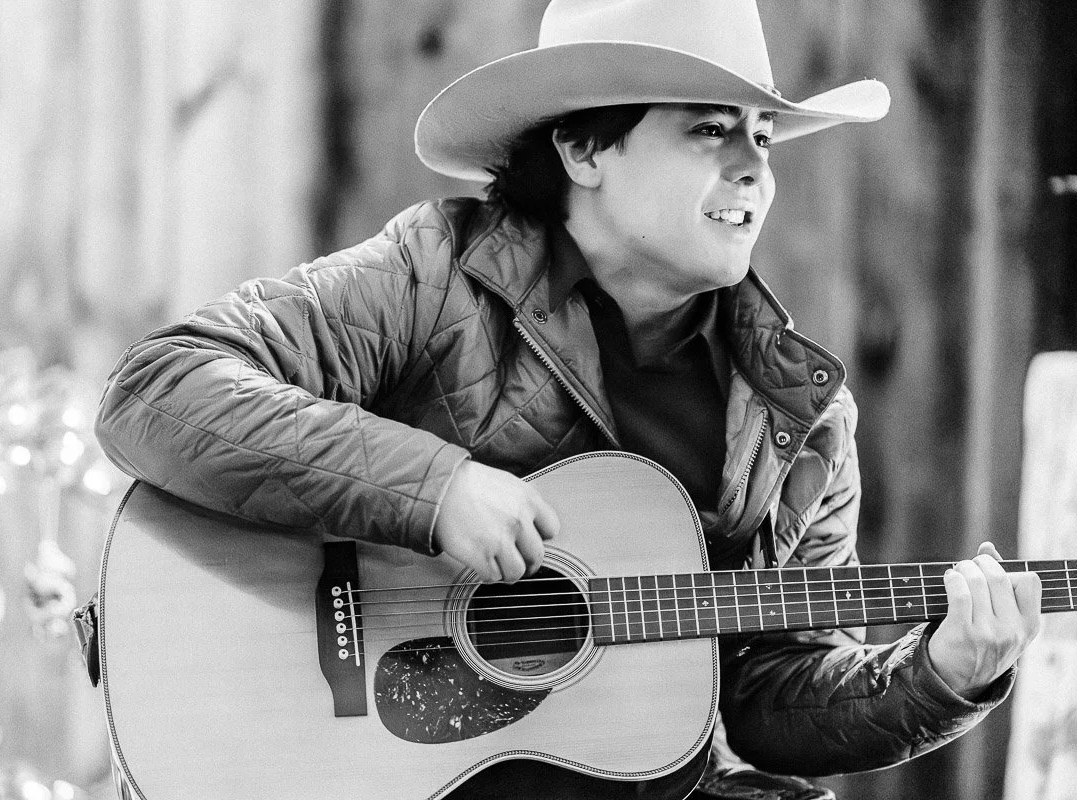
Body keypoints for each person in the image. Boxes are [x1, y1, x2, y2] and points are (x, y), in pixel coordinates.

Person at [93, 0, 1042, 797]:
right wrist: (436, 490)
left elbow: (767, 693)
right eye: (711, 128)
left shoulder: (802, 415)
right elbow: (159, 388)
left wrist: (942, 673)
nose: (756, 166)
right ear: (586, 148)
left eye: (763, 135)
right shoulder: (437, 274)